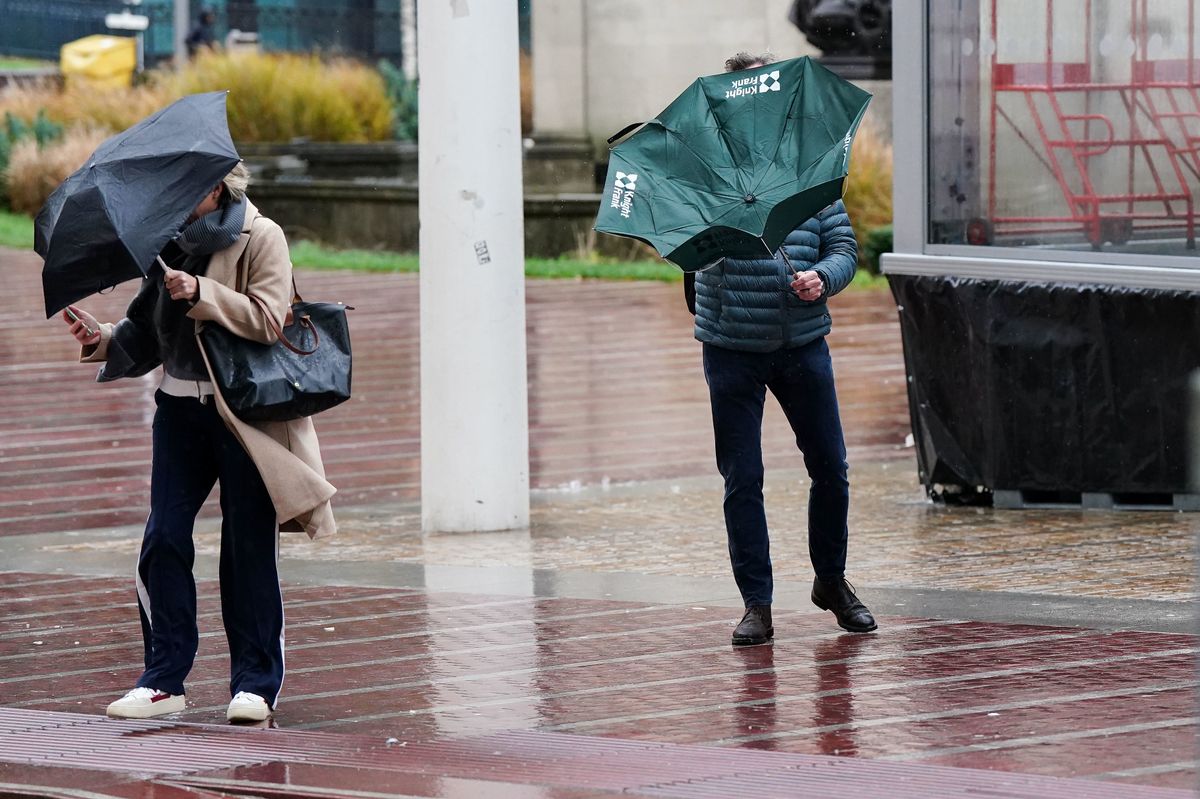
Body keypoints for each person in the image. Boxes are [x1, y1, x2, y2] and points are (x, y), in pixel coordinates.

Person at [62, 163, 336, 722]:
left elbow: (270, 320)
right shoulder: (167, 242)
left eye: (184, 187)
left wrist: (204, 291)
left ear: (215, 188)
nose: (171, 197)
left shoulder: (261, 236)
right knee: (163, 536)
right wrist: (102, 338)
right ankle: (163, 679)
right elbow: (147, 330)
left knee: (247, 547)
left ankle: (256, 685)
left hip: (244, 416)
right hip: (178, 411)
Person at [689, 51, 876, 647]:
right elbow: (688, 268)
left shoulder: (810, 170)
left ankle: (831, 580)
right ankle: (757, 604)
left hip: (802, 343)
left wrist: (823, 278)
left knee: (831, 468)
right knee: (743, 479)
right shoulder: (705, 174)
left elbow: (844, 248)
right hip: (731, 348)